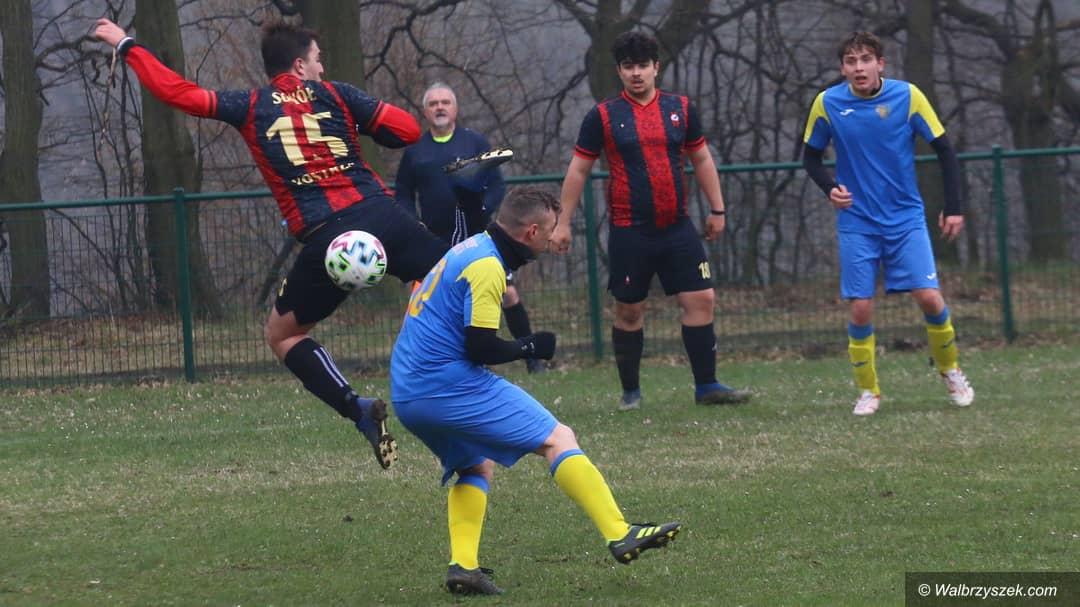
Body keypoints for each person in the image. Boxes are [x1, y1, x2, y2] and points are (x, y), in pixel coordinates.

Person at [94, 19, 452, 466]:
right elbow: (408, 131)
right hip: (383, 216)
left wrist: (129, 45)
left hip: (327, 237)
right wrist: (364, 120)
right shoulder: (337, 94)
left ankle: (357, 409)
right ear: (300, 65)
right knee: (456, 277)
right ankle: (452, 377)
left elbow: (180, 94)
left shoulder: (250, 106)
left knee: (283, 335)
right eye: (318, 60)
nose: (322, 68)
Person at [390, 186, 683, 595]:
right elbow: (481, 348)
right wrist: (530, 347)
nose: (552, 239)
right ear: (530, 231)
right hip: (445, 385)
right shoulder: (487, 266)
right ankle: (620, 533)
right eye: (549, 231)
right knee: (558, 438)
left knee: (475, 466)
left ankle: (464, 568)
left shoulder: (474, 247)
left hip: (407, 392)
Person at [552, 31, 750, 411]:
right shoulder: (603, 116)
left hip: (677, 226)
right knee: (629, 310)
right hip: (630, 230)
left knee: (702, 299)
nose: (637, 73)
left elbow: (701, 158)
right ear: (619, 71)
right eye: (629, 67)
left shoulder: (681, 108)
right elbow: (578, 170)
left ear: (656, 67)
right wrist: (562, 223)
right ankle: (631, 394)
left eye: (643, 65)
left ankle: (707, 386)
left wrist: (718, 209)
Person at [802, 31, 975, 416]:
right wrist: (830, 188)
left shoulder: (908, 96)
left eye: (866, 59)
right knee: (861, 308)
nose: (859, 67)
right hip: (857, 220)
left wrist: (953, 207)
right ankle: (868, 392)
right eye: (851, 61)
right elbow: (810, 158)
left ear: (881, 64)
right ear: (842, 68)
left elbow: (945, 150)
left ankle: (950, 370)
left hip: (904, 217)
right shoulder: (827, 103)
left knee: (929, 297)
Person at [394, 82, 544, 373]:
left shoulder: (474, 143)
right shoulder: (415, 151)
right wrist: (412, 220)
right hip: (433, 239)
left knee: (508, 294)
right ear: (425, 111)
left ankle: (532, 359)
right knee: (427, 300)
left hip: (477, 237)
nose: (440, 107)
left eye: (445, 102)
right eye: (433, 103)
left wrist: (481, 210)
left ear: (456, 108)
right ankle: (428, 364)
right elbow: (402, 192)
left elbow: (496, 185)